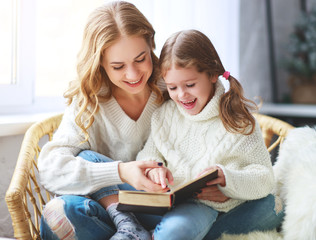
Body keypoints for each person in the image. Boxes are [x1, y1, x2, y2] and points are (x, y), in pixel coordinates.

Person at [136, 29, 284, 240]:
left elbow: (264, 178)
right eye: (172, 87)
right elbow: (148, 155)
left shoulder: (238, 121)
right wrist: (154, 170)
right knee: (98, 192)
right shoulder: (164, 115)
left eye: (190, 85)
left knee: (271, 206)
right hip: (164, 202)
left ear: (213, 74)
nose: (181, 95)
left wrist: (227, 180)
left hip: (202, 207)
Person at [38, 1, 169, 239]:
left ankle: (140, 232)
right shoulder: (91, 100)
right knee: (61, 211)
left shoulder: (173, 87)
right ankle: (133, 230)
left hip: (161, 208)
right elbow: (49, 170)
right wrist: (121, 172)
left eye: (141, 59)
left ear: (151, 45)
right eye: (118, 66)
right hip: (110, 214)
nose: (133, 74)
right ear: (100, 63)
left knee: (86, 158)